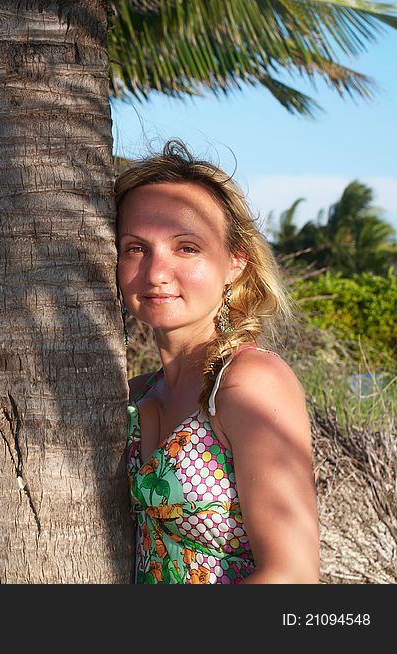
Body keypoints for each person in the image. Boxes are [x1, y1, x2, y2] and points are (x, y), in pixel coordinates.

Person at [116, 140, 319, 584]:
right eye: (135, 248)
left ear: (235, 263)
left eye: (186, 248)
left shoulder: (249, 382)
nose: (155, 272)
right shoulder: (137, 392)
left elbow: (293, 576)